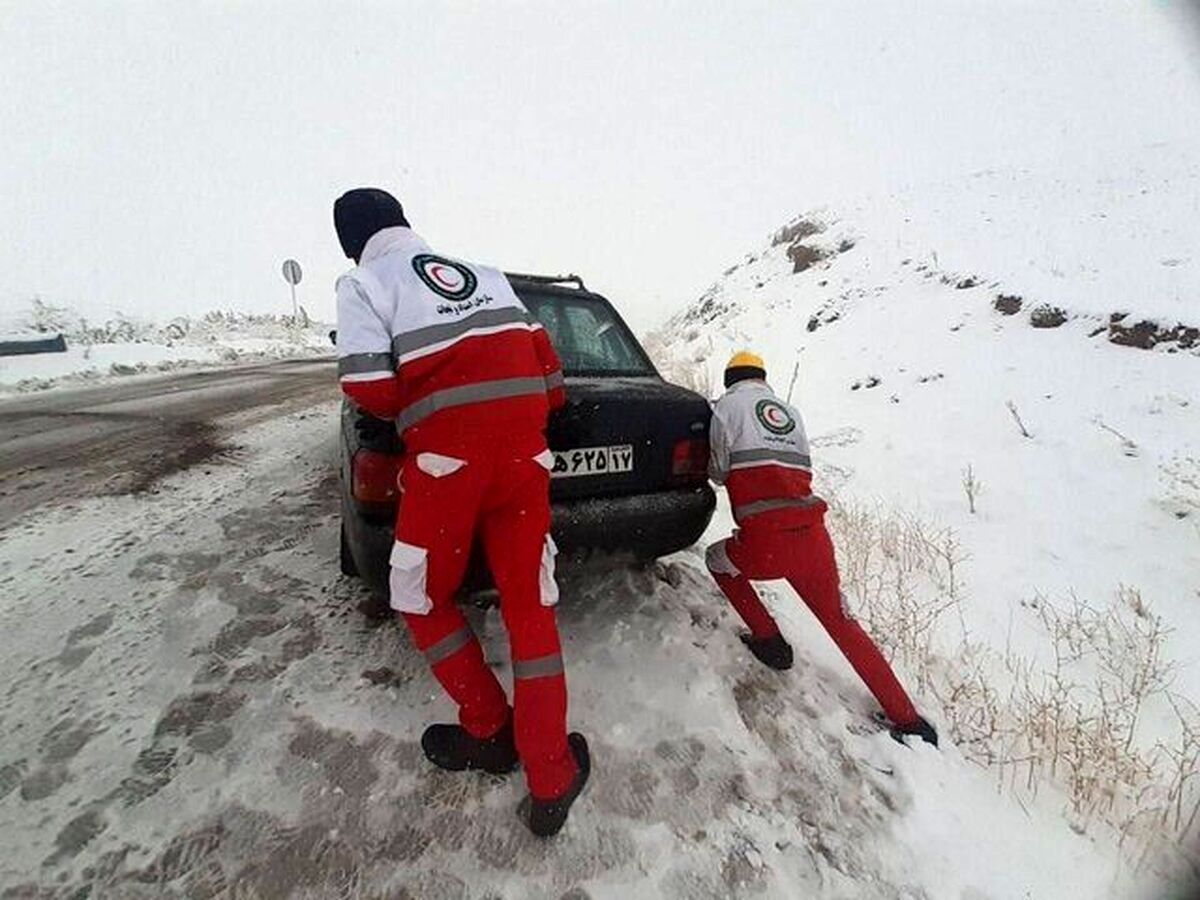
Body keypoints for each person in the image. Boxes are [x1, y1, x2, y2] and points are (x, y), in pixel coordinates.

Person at [332, 187, 589, 835]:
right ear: (406, 223)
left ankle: (489, 729)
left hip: (446, 469)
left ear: (350, 241)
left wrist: (429, 408)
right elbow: (551, 378)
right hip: (524, 464)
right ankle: (551, 774)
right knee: (531, 608)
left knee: (418, 594)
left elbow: (367, 386)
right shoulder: (488, 274)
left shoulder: (363, 284)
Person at [704, 351, 938, 745]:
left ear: (731, 380)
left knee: (717, 559)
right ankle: (908, 719)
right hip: (814, 537)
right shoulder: (791, 413)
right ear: (763, 378)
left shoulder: (726, 408)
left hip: (764, 542)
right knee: (843, 623)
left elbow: (718, 472)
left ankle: (770, 642)